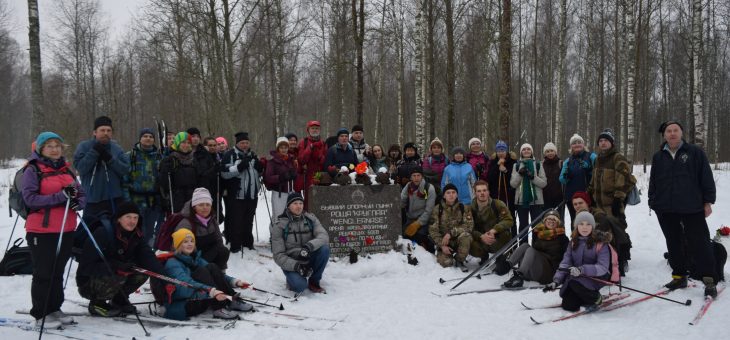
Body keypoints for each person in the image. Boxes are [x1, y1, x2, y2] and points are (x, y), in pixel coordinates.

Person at [23, 132, 86, 328]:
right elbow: (30, 199)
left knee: (58, 271)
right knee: (44, 272)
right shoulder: (33, 170)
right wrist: (61, 196)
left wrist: (77, 202)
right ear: (41, 149)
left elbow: (81, 193)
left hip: (66, 228)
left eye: (57, 145)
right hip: (41, 230)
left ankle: (54, 308)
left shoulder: (67, 169)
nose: (54, 149)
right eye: (49, 145)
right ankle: (41, 314)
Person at [649, 120, 718, 297]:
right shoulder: (658, 157)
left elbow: (706, 177)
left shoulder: (695, 152)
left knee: (700, 243)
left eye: (675, 130)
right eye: (668, 131)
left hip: (691, 207)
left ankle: (709, 280)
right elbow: (654, 181)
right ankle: (679, 276)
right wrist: (653, 200)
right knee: (673, 243)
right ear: (664, 135)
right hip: (666, 208)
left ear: (681, 133)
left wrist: (708, 201)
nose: (672, 133)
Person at [76, 202, 164, 317]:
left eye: (135, 217)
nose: (132, 221)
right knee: (119, 274)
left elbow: (148, 257)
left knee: (142, 271)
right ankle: (97, 304)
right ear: (118, 219)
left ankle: (119, 300)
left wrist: (164, 276)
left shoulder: (136, 235)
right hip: (88, 283)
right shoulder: (103, 233)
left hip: (115, 274)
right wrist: (116, 266)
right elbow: (86, 267)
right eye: (128, 217)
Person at [163, 228, 253, 321]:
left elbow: (218, 275)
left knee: (212, 266)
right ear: (178, 245)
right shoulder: (173, 263)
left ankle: (231, 300)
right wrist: (211, 291)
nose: (190, 244)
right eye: (185, 242)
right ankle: (218, 308)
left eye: (192, 241)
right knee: (201, 271)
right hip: (185, 304)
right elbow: (186, 284)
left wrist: (235, 282)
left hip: (200, 298)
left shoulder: (195, 259)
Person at [545, 211, 611, 312]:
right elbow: (565, 263)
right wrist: (556, 281)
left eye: (588, 224)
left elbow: (602, 267)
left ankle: (596, 298)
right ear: (577, 226)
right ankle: (584, 298)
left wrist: (582, 270)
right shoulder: (573, 242)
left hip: (595, 278)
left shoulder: (600, 243)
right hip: (577, 278)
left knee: (574, 283)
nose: (584, 227)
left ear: (593, 226)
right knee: (569, 305)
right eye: (581, 224)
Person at [73, 116, 130, 221]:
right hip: (92, 199)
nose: (106, 133)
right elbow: (81, 168)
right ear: (95, 132)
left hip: (114, 198)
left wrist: (110, 160)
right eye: (102, 130)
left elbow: (125, 169)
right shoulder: (84, 147)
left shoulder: (116, 148)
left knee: (113, 232)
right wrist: (94, 152)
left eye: (109, 130)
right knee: (92, 232)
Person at [271, 193, 330, 294]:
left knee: (324, 249)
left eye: (300, 203)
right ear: (288, 206)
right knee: (300, 287)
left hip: (308, 255)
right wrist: (296, 266)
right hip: (291, 262)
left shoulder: (311, 219)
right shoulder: (279, 225)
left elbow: (324, 236)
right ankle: (292, 279)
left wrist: (309, 246)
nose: (299, 206)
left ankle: (314, 282)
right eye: (295, 203)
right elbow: (278, 255)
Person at [220, 132, 264, 252]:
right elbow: (224, 173)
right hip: (236, 194)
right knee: (236, 221)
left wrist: (260, 167)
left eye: (246, 142)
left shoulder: (252, 155)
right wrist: (239, 167)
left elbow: (257, 173)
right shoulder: (230, 155)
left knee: (248, 220)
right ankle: (235, 245)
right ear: (237, 143)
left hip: (251, 194)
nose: (245, 145)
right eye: (242, 143)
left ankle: (248, 243)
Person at [502, 209, 569, 288]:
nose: (551, 221)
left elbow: (567, 258)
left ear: (558, 222)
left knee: (531, 250)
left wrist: (562, 275)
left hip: (549, 272)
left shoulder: (562, 237)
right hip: (537, 268)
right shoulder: (540, 233)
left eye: (554, 219)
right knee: (525, 245)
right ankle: (506, 266)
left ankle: (519, 276)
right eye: (549, 219)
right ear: (545, 221)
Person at [123, 128, 164, 247]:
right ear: (140, 139)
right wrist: (126, 201)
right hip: (135, 200)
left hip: (153, 201)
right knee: (135, 229)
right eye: (145, 136)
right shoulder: (130, 156)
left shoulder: (159, 157)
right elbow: (124, 180)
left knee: (150, 231)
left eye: (151, 137)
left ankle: (146, 253)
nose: (148, 138)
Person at [175, 188, 230, 270]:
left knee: (223, 250)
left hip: (208, 258)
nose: (205, 208)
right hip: (192, 261)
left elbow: (219, 241)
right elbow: (180, 249)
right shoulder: (186, 223)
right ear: (194, 207)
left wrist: (222, 268)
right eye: (201, 205)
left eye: (208, 205)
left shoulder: (212, 220)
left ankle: (219, 273)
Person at [588, 128, 632, 226]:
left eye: (606, 140)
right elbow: (593, 179)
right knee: (600, 234)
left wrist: (618, 199)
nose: (603, 143)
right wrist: (589, 193)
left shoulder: (617, 158)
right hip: (598, 205)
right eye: (601, 141)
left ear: (612, 143)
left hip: (613, 204)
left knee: (616, 233)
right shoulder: (597, 159)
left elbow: (623, 179)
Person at [468, 181, 514, 267]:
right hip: (481, 239)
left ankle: (501, 256)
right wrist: (481, 236)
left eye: (484, 190)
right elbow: (468, 228)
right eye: (479, 191)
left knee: (506, 234)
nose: (482, 193)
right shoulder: (470, 209)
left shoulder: (498, 204)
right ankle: (483, 256)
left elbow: (509, 220)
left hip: (495, 238)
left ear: (488, 192)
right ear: (475, 193)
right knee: (467, 239)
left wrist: (494, 230)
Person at [429, 184, 474, 268]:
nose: (451, 195)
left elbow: (469, 226)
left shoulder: (464, 208)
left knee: (466, 236)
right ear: (444, 195)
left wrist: (451, 233)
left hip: (459, 240)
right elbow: (433, 230)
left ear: (457, 195)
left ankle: (459, 259)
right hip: (444, 242)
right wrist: (442, 245)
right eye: (448, 193)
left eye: (453, 192)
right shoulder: (437, 209)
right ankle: (448, 256)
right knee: (446, 263)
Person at [510, 143, 547, 243]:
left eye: (528, 149)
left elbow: (544, 183)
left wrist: (532, 177)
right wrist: (519, 174)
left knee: (537, 227)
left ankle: (537, 247)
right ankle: (523, 248)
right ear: (521, 152)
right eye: (524, 149)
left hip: (536, 201)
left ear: (531, 152)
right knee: (523, 227)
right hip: (521, 202)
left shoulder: (538, 164)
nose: (526, 151)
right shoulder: (516, 165)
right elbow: (513, 184)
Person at [559, 134, 596, 224]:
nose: (577, 144)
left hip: (588, 195)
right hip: (572, 197)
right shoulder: (568, 161)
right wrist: (567, 176)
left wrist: (589, 170)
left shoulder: (591, 156)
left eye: (579, 142)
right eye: (574, 143)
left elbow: (600, 170)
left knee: (589, 221)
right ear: (571, 146)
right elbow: (561, 179)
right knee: (574, 221)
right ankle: (574, 237)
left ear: (583, 144)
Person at [159, 132, 199, 213]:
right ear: (177, 143)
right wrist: (166, 170)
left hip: (192, 197)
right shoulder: (170, 159)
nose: (186, 145)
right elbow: (163, 183)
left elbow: (199, 178)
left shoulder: (194, 159)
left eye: (188, 143)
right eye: (183, 142)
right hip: (176, 198)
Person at [401, 166, 437, 252]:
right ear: (410, 177)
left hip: (424, 220)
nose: (416, 178)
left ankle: (426, 251)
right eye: (414, 175)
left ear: (422, 176)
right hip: (410, 218)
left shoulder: (428, 188)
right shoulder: (408, 186)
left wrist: (417, 224)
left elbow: (429, 211)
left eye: (418, 175)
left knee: (419, 236)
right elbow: (402, 201)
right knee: (404, 236)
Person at [488, 140, 518, 234]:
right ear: (496, 152)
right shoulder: (492, 162)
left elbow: (515, 179)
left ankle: (513, 242)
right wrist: (497, 167)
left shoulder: (513, 162)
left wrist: (505, 170)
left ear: (506, 151)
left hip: (509, 195)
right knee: (497, 219)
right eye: (499, 151)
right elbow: (490, 178)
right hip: (496, 195)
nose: (501, 153)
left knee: (510, 218)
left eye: (503, 151)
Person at [265, 137, 298, 220]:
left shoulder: (291, 160)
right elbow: (268, 177)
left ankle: (288, 233)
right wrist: (281, 177)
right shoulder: (272, 161)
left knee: (291, 215)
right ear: (278, 148)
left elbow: (295, 174)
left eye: (286, 147)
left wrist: (294, 174)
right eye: (281, 148)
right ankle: (275, 232)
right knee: (279, 216)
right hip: (279, 193)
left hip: (290, 192)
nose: (284, 150)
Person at [196, 137, 222, 218]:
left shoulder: (217, 157)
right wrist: (214, 169)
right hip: (205, 191)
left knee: (217, 215)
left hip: (216, 190)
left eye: (214, 145)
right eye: (210, 145)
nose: (213, 147)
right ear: (205, 146)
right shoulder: (201, 156)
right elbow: (203, 174)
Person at [541, 142, 564, 222]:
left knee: (559, 220)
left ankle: (561, 234)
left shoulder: (560, 163)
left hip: (559, 197)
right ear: (545, 153)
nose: (550, 153)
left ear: (555, 152)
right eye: (547, 151)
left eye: (551, 151)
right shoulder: (542, 164)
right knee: (547, 220)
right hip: (545, 198)